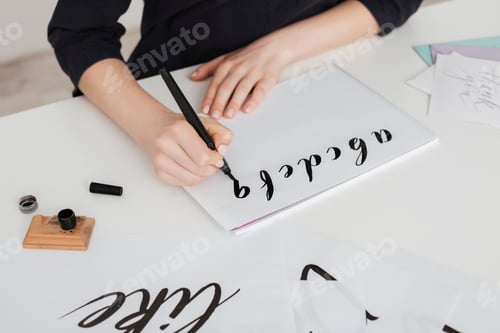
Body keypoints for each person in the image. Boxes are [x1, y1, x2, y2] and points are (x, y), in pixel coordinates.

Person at [48, 0, 422, 186]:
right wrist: (152, 125)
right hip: (167, 88)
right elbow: (79, 34)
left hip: (335, 72)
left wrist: (280, 49)